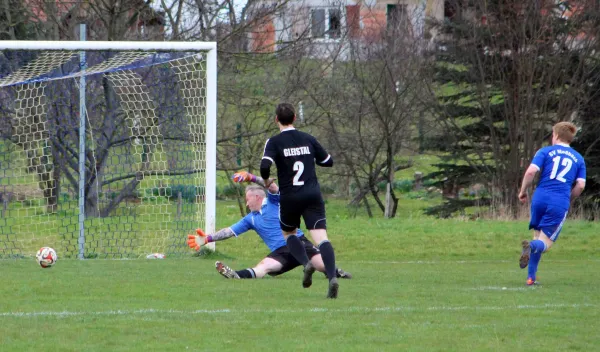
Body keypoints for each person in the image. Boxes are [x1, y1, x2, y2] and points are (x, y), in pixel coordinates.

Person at [186, 173, 352, 283]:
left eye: (247, 199)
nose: (246, 203)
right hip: (281, 252)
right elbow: (229, 231)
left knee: (324, 266)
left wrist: (251, 177)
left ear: (257, 197)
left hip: (298, 242)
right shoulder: (250, 219)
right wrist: (207, 238)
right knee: (263, 267)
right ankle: (236, 275)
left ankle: (335, 273)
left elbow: (272, 186)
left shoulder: (273, 201)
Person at [259, 102, 339, 298]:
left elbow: (264, 166)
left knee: (289, 233)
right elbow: (328, 161)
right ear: (295, 118)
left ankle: (306, 264)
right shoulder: (308, 138)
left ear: (276, 119)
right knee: (321, 238)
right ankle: (332, 278)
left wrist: (267, 180)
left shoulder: (274, 142)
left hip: (290, 196)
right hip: (312, 195)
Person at [518, 122, 586, 285]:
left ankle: (530, 278)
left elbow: (531, 172)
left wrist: (522, 191)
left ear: (555, 135)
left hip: (540, 197)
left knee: (537, 236)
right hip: (559, 200)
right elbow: (581, 185)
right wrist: (569, 199)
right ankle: (531, 247)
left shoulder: (545, 151)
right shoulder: (578, 158)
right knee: (544, 244)